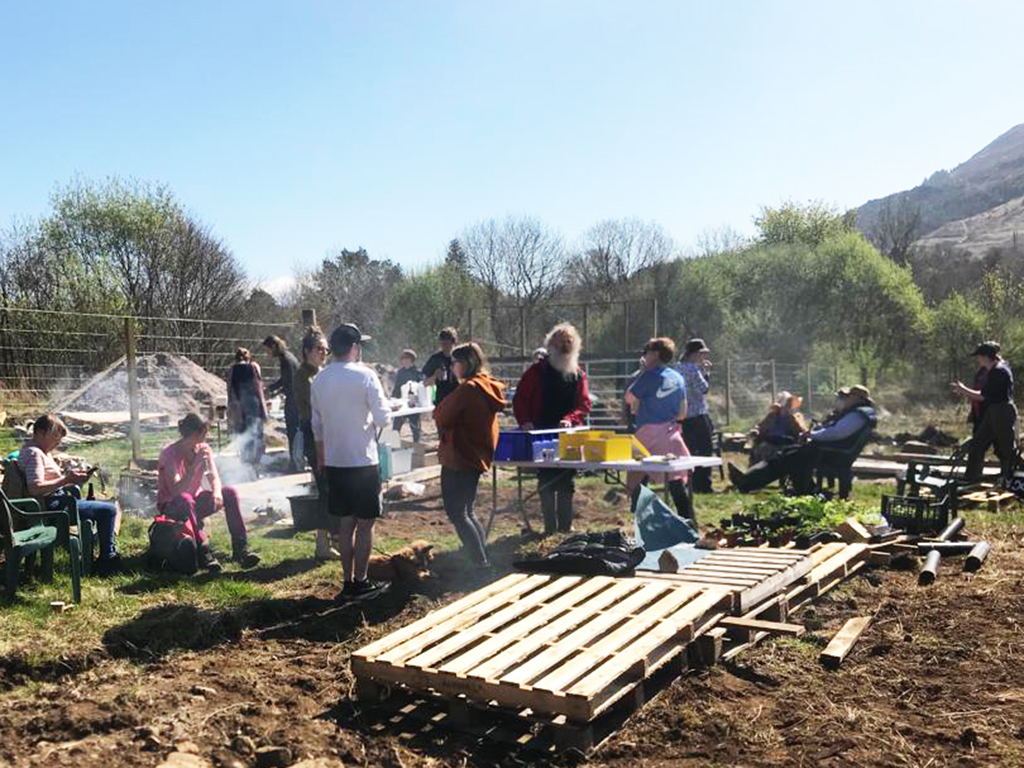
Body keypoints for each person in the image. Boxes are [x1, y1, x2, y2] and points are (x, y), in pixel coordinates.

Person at [311, 323, 393, 600]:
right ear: (355, 348)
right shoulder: (366, 376)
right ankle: (361, 581)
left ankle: (347, 582)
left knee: (346, 524)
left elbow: (316, 426)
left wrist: (321, 457)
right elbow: (383, 419)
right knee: (366, 524)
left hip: (336, 462)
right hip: (363, 461)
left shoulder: (320, 379)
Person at [513, 323, 592, 534]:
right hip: (542, 433)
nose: (562, 348)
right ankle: (549, 528)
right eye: (558, 344)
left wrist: (570, 419)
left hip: (568, 434)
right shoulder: (536, 372)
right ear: (550, 345)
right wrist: (525, 421)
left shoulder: (578, 374)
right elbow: (520, 400)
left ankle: (565, 528)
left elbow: (584, 404)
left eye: (567, 344)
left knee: (567, 479)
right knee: (546, 478)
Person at [432, 342, 507, 566]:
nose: (452, 367)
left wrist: (440, 410)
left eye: (454, 362)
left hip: (460, 456)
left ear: (466, 363)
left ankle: (479, 563)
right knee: (468, 511)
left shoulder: (469, 389)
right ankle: (483, 558)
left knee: (458, 513)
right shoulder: (486, 386)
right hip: (473, 455)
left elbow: (443, 416)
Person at [19, 414, 122, 574]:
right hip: (54, 508)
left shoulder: (38, 451)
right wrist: (66, 479)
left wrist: (72, 479)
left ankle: (104, 555)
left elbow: (48, 482)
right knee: (109, 510)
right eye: (55, 438)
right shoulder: (34, 454)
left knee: (105, 506)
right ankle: (107, 560)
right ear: (41, 433)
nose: (58, 443)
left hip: (57, 502)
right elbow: (35, 488)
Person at [157, 413, 261, 571]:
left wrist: (217, 493)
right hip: (172, 507)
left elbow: (214, 477)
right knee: (185, 498)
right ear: (195, 434)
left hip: (193, 502)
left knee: (229, 492)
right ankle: (203, 552)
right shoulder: (170, 454)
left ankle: (241, 549)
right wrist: (194, 466)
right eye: (205, 433)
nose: (207, 437)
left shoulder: (203, 448)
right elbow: (177, 491)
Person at [728, 385, 877, 495]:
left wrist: (812, 435)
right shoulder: (856, 413)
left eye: (849, 396)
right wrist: (813, 434)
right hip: (830, 451)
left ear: (857, 399)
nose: (845, 399)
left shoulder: (857, 415)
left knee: (791, 457)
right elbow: (834, 431)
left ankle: (747, 482)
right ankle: (749, 480)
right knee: (787, 453)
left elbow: (837, 433)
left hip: (833, 453)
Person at [624, 338, 694, 520]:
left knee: (638, 479)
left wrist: (642, 373)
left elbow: (629, 398)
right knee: (675, 480)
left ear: (655, 354)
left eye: (646, 352)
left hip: (647, 434)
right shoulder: (677, 377)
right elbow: (682, 413)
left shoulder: (648, 376)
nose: (644, 356)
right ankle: (688, 521)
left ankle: (642, 521)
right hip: (671, 435)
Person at [292, 326, 339, 561]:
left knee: (331, 487)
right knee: (325, 487)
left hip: (327, 433)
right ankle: (322, 544)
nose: (324, 353)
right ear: (307, 351)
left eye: (326, 349)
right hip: (313, 434)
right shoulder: (303, 376)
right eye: (319, 349)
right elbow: (316, 408)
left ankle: (331, 537)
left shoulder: (321, 373)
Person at [952, 341, 1017, 484]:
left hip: (1002, 411)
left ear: (986, 357)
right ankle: (971, 480)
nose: (978, 359)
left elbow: (982, 396)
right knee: (977, 444)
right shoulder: (994, 369)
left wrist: (963, 390)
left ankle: (1010, 480)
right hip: (992, 411)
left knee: (1005, 449)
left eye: (979, 356)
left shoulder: (999, 371)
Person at [676, 339, 715, 493]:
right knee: (705, 449)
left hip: (683, 415)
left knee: (689, 450)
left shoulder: (678, 368)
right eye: (702, 354)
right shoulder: (693, 369)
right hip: (697, 414)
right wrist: (707, 373)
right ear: (695, 354)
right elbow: (703, 389)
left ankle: (689, 482)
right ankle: (703, 484)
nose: (704, 357)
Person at [227, 347, 267, 476]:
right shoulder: (254, 367)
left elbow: (230, 391)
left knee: (244, 439)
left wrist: (231, 413)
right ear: (248, 357)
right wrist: (264, 410)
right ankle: (256, 468)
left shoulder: (232, 370)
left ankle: (246, 469)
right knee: (257, 439)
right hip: (254, 408)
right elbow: (259, 389)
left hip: (240, 410)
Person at [263, 335, 301, 470]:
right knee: (294, 432)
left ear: (274, 346)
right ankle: (296, 461)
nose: (267, 353)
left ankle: (295, 463)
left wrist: (272, 393)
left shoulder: (286, 360)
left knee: (293, 432)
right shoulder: (287, 357)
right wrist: (270, 389)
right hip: (296, 399)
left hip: (294, 401)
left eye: (268, 350)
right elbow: (284, 380)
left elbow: (288, 383)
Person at [750, 391, 809, 464]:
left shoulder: (795, 417)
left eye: (789, 404)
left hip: (787, 441)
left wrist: (793, 420)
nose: (788, 407)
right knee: (761, 449)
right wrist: (756, 430)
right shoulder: (772, 416)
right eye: (787, 404)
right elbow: (761, 426)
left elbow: (801, 430)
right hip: (770, 440)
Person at [392, 349, 424, 442]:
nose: (403, 360)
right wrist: (393, 399)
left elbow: (421, 389)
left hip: (413, 404)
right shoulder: (400, 372)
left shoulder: (418, 372)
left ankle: (417, 447)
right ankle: (393, 447)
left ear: (412, 360)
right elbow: (397, 387)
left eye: (406, 358)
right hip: (400, 404)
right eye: (402, 358)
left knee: (415, 429)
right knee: (395, 428)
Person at [422, 328, 459, 405]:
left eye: (447, 343)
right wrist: (435, 376)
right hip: (441, 400)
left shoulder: (460, 357)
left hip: (458, 399)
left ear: (453, 342)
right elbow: (425, 383)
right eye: (442, 343)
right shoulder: (435, 358)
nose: (445, 346)